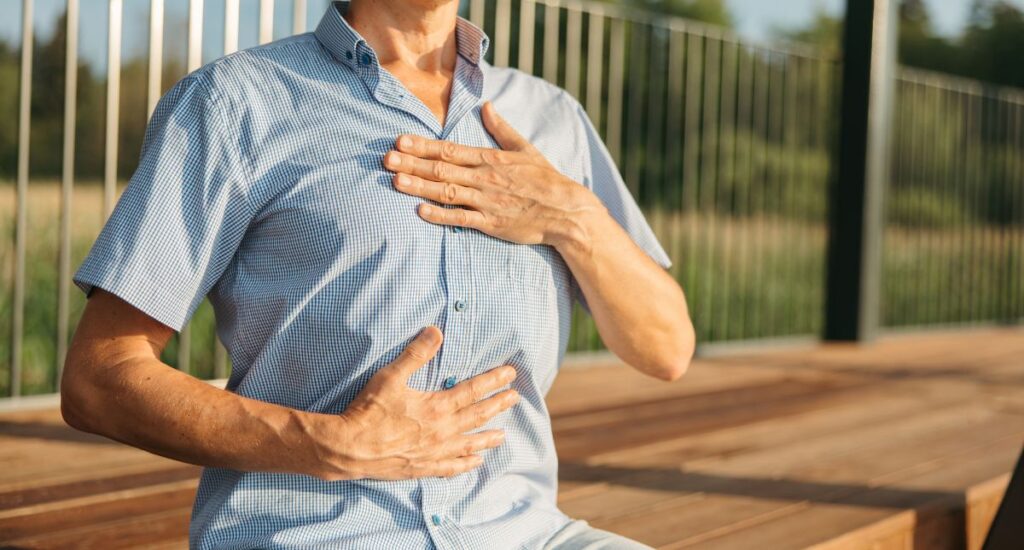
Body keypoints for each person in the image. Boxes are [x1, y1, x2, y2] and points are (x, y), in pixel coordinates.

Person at [60, 0, 696, 548]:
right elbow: (99, 380)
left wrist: (572, 216)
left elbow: (667, 349)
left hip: (522, 532)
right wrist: (327, 443)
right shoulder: (235, 102)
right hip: (311, 534)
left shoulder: (552, 118)